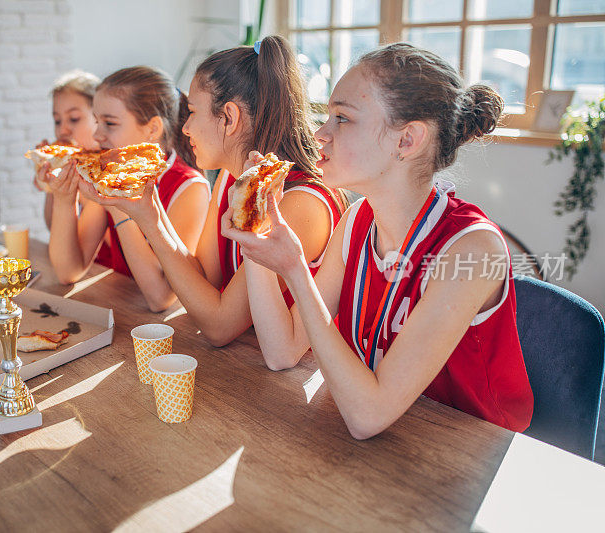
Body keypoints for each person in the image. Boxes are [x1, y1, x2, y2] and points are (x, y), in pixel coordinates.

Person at [222, 43, 533, 437]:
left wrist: (295, 271)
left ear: (407, 141)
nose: (321, 133)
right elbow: (282, 352)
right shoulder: (357, 220)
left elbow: (367, 417)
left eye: (343, 118)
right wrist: (254, 231)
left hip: (472, 452)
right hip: (390, 440)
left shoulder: (472, 249)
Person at [80, 36, 347, 352]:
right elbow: (202, 281)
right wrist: (147, 211)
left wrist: (150, 221)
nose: (185, 128)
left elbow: (220, 325)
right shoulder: (229, 177)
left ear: (230, 118)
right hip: (238, 364)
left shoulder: (301, 203)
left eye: (192, 111)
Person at [47, 66, 210, 312]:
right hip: (121, 309)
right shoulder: (110, 175)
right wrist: (63, 198)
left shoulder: (189, 187)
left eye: (109, 124)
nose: (97, 135)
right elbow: (68, 271)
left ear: (152, 129)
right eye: (96, 122)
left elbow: (161, 298)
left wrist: (119, 207)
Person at [33, 70, 100, 229]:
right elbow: (53, 229)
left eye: (74, 119)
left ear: (100, 117)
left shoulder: (112, 169)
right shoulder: (74, 164)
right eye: (57, 121)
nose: (63, 130)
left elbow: (114, 246)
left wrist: (82, 193)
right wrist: (51, 187)